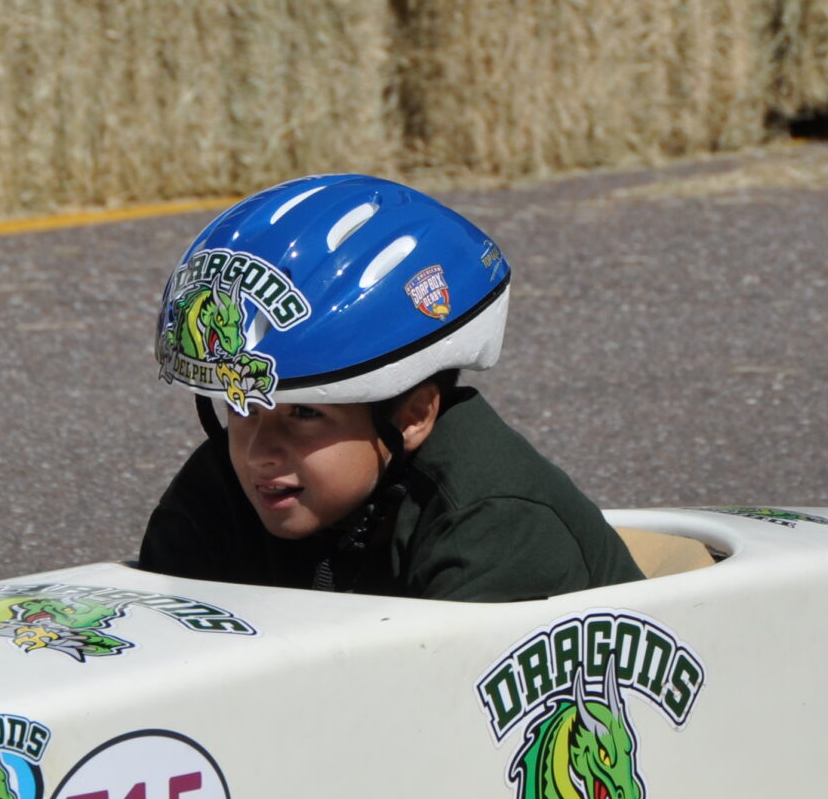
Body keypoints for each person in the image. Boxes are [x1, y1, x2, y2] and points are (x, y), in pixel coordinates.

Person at [138, 175, 641, 602]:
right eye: (243, 406)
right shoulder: (222, 490)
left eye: (305, 414)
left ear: (413, 415)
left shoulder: (494, 528)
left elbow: (439, 709)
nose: (259, 453)